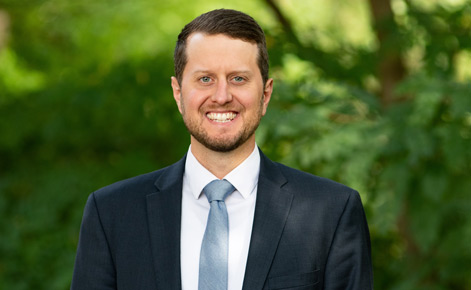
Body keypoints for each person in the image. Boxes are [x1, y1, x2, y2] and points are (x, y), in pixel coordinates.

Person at [71, 9, 373, 290]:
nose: (222, 96)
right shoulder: (112, 213)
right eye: (205, 79)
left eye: (238, 79)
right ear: (178, 93)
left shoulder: (331, 212)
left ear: (265, 94)